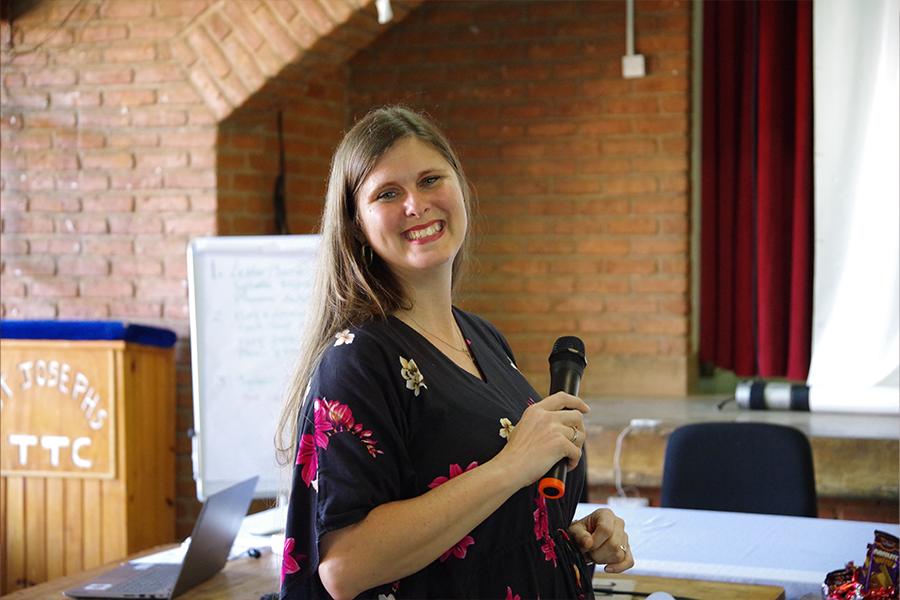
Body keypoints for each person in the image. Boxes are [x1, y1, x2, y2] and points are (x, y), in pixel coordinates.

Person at [275, 106, 633, 600]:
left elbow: (489, 520)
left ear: (459, 188)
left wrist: (572, 532)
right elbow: (345, 567)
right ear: (356, 224)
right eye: (387, 193)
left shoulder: (482, 337)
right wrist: (512, 465)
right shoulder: (357, 358)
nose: (415, 205)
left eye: (429, 180)